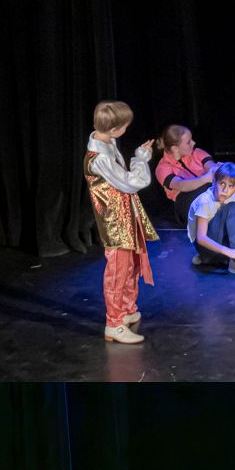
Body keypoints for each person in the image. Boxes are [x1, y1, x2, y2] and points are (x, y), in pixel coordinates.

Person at [84, 99, 158, 345]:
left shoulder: (108, 143)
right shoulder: (100, 159)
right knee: (117, 271)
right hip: (114, 221)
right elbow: (130, 182)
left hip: (125, 214)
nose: (126, 129)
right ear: (114, 129)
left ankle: (125, 310)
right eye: (124, 126)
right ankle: (114, 323)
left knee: (129, 267)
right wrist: (141, 159)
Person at [156, 124, 235, 226]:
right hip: (188, 201)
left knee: (231, 183)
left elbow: (210, 166)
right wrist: (205, 178)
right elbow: (181, 185)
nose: (193, 143)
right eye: (188, 142)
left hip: (211, 192)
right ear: (175, 148)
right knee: (209, 192)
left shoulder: (197, 152)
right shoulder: (163, 168)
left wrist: (217, 170)